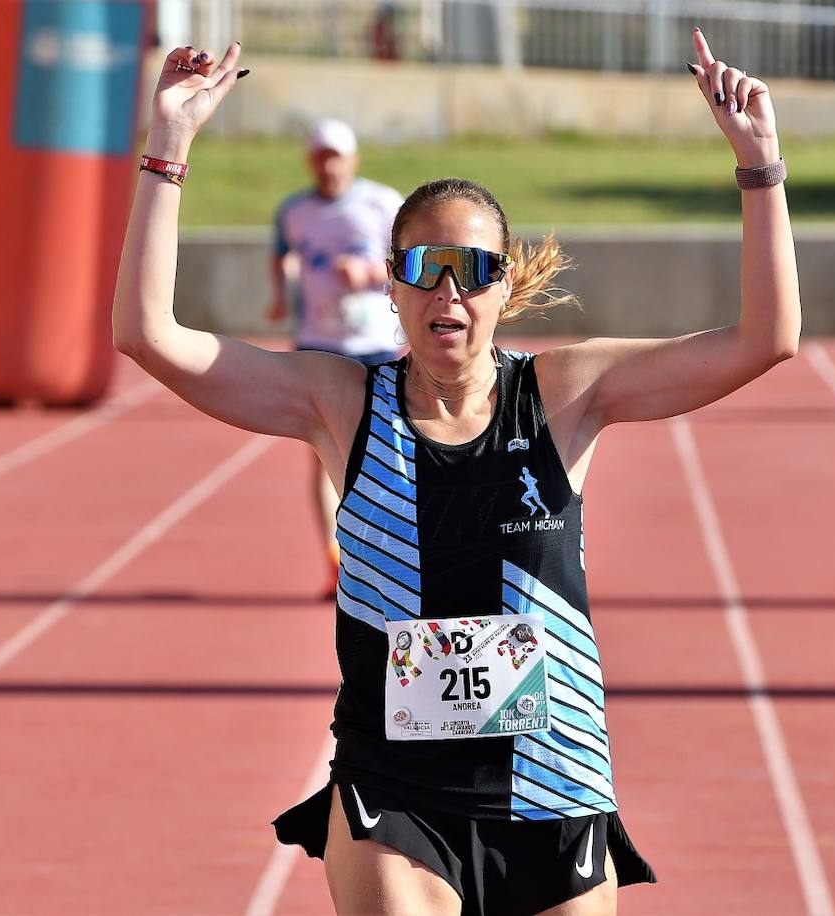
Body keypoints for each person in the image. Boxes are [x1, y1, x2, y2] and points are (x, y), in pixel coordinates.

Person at [114, 29, 800, 915]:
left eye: (470, 271)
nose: (447, 295)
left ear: (503, 286)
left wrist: (761, 170)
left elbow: (766, 340)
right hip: (396, 788)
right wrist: (168, 147)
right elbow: (148, 337)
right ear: (391, 287)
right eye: (423, 270)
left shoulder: (564, 394)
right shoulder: (342, 402)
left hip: (556, 785)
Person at [268, 117, 406, 597]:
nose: (329, 166)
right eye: (321, 156)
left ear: (353, 158)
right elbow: (280, 253)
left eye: (337, 156)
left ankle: (388, 557)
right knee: (324, 456)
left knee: (387, 457)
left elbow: (409, 266)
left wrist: (370, 274)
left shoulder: (384, 204)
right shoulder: (295, 211)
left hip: (374, 344)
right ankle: (336, 560)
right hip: (317, 345)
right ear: (311, 160)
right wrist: (279, 296)